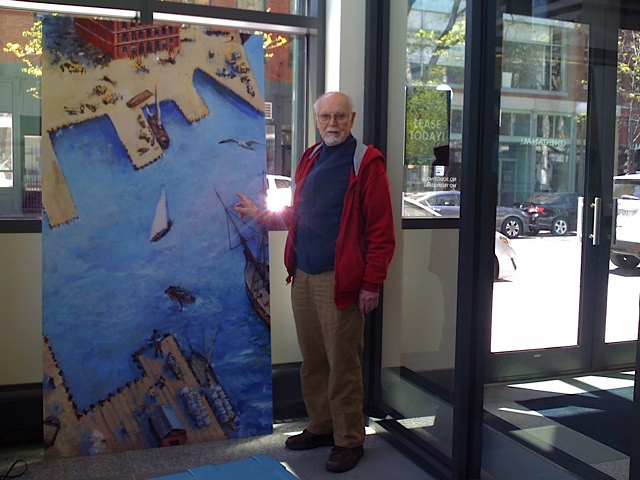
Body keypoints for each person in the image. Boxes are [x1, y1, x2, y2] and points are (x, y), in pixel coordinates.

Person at [234, 91, 395, 473]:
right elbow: (299, 213)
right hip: (302, 275)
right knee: (314, 360)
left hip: (341, 280)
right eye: (325, 117)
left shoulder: (365, 163)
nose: (332, 123)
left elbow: (381, 232)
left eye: (340, 116)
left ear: (352, 119)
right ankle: (322, 426)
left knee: (343, 364)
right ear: (316, 119)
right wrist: (261, 215)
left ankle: (349, 440)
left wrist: (371, 284)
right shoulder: (311, 156)